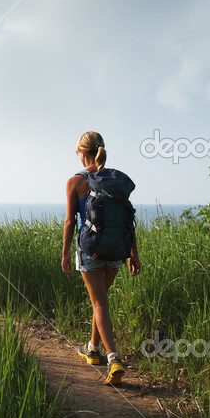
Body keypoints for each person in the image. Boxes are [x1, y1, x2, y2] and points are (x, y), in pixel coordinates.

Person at [61, 131, 141, 385]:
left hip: (90, 250)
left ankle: (114, 358)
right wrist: (133, 253)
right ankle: (92, 349)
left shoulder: (76, 181)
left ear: (82, 153)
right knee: (101, 302)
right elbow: (129, 219)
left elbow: (70, 221)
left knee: (99, 304)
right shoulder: (116, 180)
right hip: (117, 249)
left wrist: (64, 253)